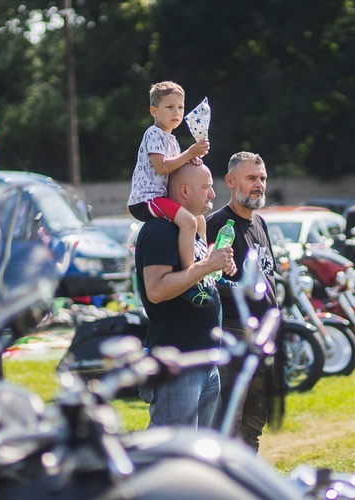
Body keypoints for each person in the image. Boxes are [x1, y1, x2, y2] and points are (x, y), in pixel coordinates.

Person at [135, 161, 235, 429]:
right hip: (176, 361)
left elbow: (197, 279)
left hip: (204, 358)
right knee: (171, 454)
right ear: (184, 191)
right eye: (206, 187)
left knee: (198, 454)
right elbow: (156, 290)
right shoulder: (159, 230)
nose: (213, 194)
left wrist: (218, 267)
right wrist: (207, 265)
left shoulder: (191, 228)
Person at [206, 151, 278, 452]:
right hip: (233, 336)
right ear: (231, 181)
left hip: (263, 338)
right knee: (228, 426)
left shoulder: (260, 223)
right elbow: (206, 281)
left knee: (253, 425)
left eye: (261, 178)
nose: (258, 185)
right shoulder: (216, 225)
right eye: (251, 178)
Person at [127, 81, 212, 308]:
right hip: (148, 199)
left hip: (161, 198)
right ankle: (191, 276)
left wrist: (192, 159)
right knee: (188, 222)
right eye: (169, 107)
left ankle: (203, 263)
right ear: (154, 111)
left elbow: (176, 169)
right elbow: (163, 167)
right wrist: (189, 152)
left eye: (181, 108)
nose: (177, 113)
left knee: (199, 220)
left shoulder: (171, 139)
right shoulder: (154, 134)